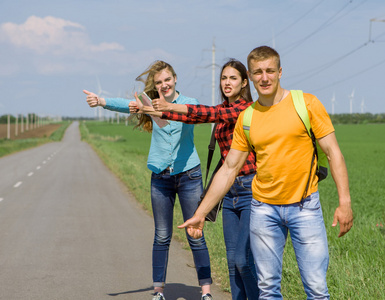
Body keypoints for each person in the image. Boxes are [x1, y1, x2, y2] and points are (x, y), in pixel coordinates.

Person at [178, 46, 354, 299]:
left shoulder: (306, 103)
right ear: (250, 76)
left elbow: (333, 153)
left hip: (305, 207)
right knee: (267, 289)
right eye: (258, 72)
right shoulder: (248, 117)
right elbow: (229, 168)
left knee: (316, 288)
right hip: (264, 209)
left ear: (280, 72)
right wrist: (200, 214)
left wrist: (344, 202)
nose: (265, 77)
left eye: (270, 71)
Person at [83, 60, 214, 300]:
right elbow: (128, 105)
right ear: (154, 86)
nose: (164, 85)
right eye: (159, 82)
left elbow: (194, 114)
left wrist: (162, 109)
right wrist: (101, 101)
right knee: (162, 235)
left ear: (175, 79)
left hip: (189, 175)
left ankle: (205, 292)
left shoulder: (189, 103)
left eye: (167, 80)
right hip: (161, 176)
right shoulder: (149, 104)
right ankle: (158, 291)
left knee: (195, 232)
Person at [131, 59, 260, 300]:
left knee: (243, 261)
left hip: (250, 188)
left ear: (244, 82)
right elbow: (199, 119)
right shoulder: (224, 107)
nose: (227, 83)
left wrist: (164, 109)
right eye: (224, 78)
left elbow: (205, 113)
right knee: (233, 262)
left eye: (233, 78)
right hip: (229, 191)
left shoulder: (245, 109)